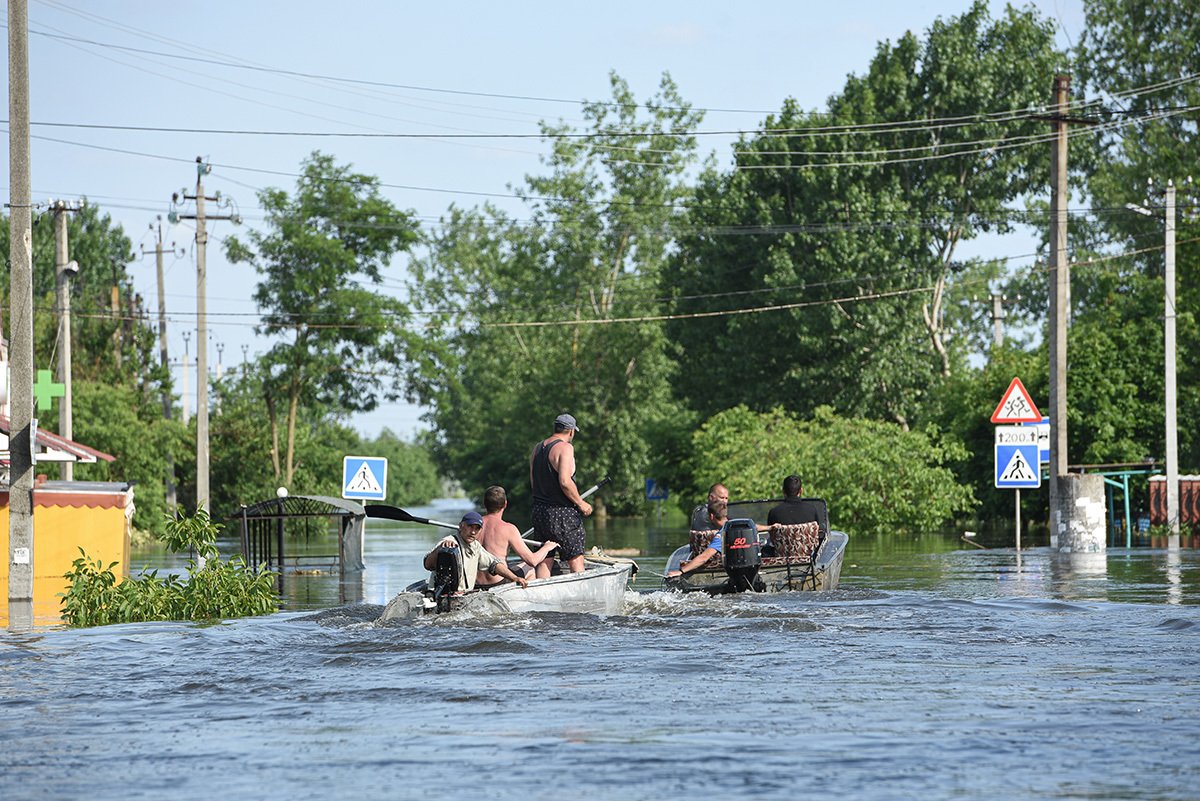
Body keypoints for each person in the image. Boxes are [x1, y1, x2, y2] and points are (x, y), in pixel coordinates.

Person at [529, 412, 592, 574]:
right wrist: (581, 503)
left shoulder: (537, 449)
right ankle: (582, 596)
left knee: (545, 558)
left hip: (540, 511)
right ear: (571, 431)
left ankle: (543, 594)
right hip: (562, 513)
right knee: (575, 558)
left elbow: (533, 482)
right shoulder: (565, 448)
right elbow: (565, 481)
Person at [423, 511, 528, 591]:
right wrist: (440, 550)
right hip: (441, 595)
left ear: (480, 531)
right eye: (470, 527)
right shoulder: (449, 541)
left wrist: (514, 578)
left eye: (477, 528)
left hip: (463, 596)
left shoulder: (475, 546)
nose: (473, 532)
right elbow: (427, 564)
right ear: (461, 526)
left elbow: (494, 564)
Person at [476, 485, 558, 585]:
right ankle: (528, 599)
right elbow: (532, 561)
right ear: (505, 504)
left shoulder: (474, 525)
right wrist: (547, 547)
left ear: (484, 504)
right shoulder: (508, 528)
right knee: (530, 568)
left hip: (476, 582)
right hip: (498, 581)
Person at [669, 500, 728, 577]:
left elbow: (704, 557)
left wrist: (681, 571)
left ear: (711, 516)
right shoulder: (739, 527)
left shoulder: (721, 534)